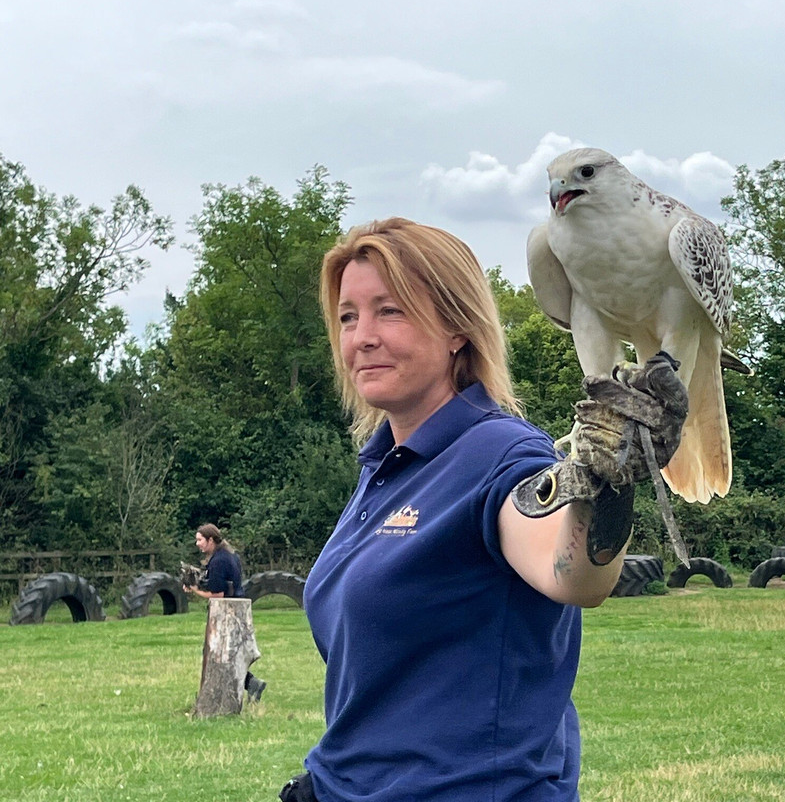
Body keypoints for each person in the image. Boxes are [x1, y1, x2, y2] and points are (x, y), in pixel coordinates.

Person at [279, 218, 687, 802]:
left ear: (455, 329)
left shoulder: (500, 452)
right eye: (348, 316)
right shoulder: (386, 467)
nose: (361, 336)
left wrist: (607, 483)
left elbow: (571, 576)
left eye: (389, 311)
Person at [185, 522, 267, 702]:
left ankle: (247, 685)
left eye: (200, 540)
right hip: (237, 607)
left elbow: (217, 594)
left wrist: (194, 590)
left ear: (211, 540)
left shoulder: (219, 561)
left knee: (219, 655)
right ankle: (252, 684)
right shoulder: (228, 554)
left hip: (227, 612)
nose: (197, 544)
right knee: (228, 655)